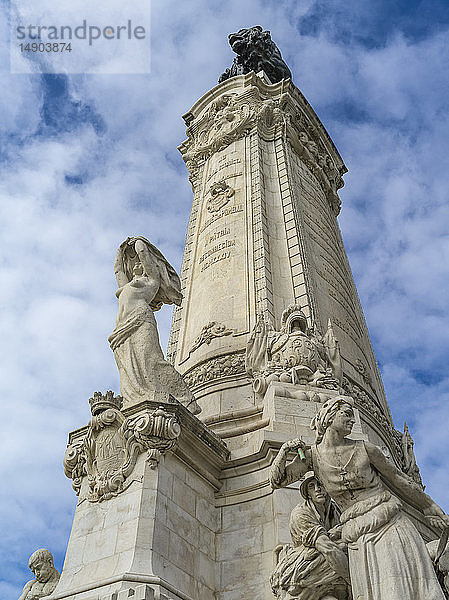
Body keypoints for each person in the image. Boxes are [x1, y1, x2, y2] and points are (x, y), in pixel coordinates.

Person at [270, 396, 449, 600]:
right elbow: (278, 481)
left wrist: (429, 506)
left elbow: (399, 479)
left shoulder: (366, 449)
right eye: (346, 414)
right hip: (356, 537)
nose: (352, 420)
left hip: (388, 523)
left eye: (352, 415)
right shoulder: (312, 456)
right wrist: (284, 451)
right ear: (329, 417)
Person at [108, 237, 200, 414]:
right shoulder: (126, 286)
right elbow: (118, 270)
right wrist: (120, 251)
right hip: (122, 328)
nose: (135, 266)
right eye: (133, 264)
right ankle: (141, 395)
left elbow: (144, 255)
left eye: (139, 264)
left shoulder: (150, 282)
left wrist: (139, 243)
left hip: (141, 320)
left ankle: (186, 399)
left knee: (151, 359)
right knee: (129, 365)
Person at [270, 471, 350, 600]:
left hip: (329, 568)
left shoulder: (336, 510)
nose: (317, 489)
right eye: (312, 487)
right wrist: (352, 579)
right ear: (308, 494)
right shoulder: (300, 513)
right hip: (305, 569)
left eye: (321, 485)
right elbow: (327, 548)